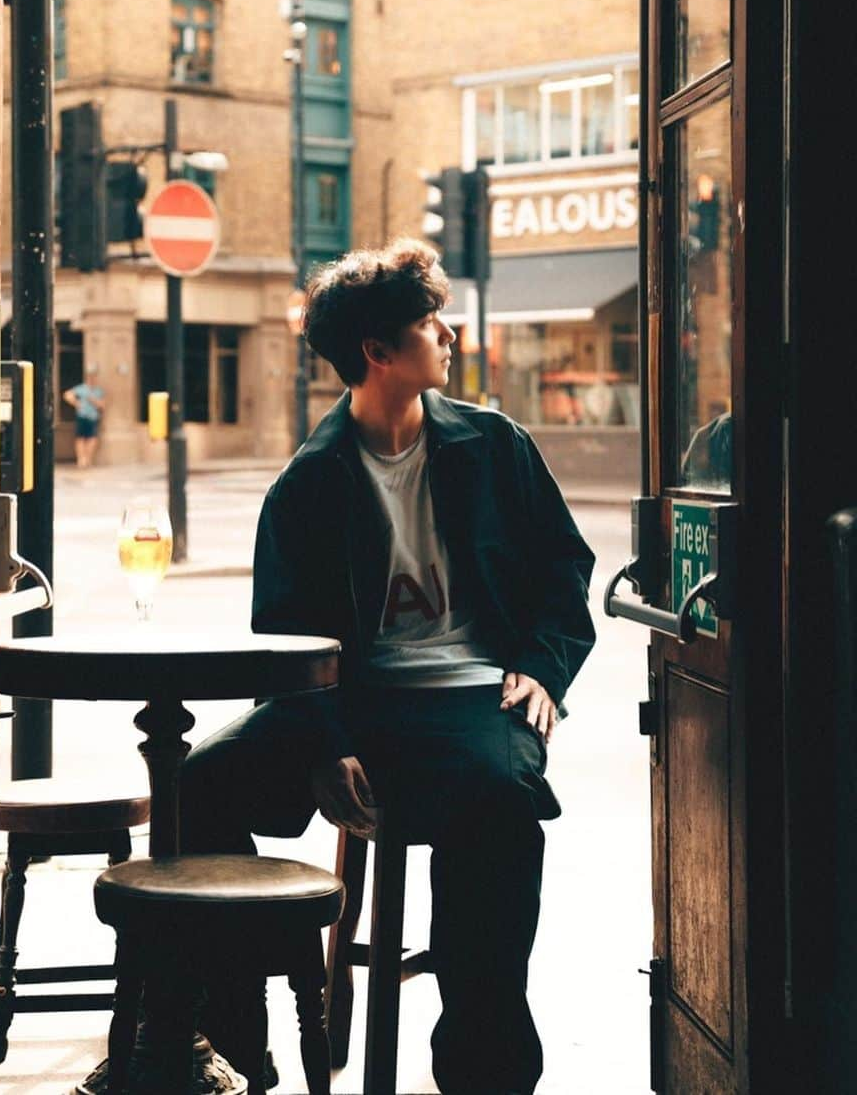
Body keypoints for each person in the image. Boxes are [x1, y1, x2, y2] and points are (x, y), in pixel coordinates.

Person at [180, 238, 595, 1095]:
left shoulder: (493, 443)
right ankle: (235, 1043)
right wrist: (326, 744)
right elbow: (286, 641)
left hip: (476, 693)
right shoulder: (307, 485)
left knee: (500, 798)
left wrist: (542, 668)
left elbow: (566, 569)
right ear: (377, 352)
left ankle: (484, 1068)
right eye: (428, 321)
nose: (448, 334)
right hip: (352, 704)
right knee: (196, 786)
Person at [64, 368, 105, 469]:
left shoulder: (98, 391)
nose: (92, 379)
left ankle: (88, 459)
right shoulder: (82, 388)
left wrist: (93, 400)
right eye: (91, 377)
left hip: (93, 417)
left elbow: (102, 406)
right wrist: (76, 403)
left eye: (94, 377)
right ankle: (81, 459)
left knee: (92, 438)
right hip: (82, 415)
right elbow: (67, 395)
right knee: (80, 438)